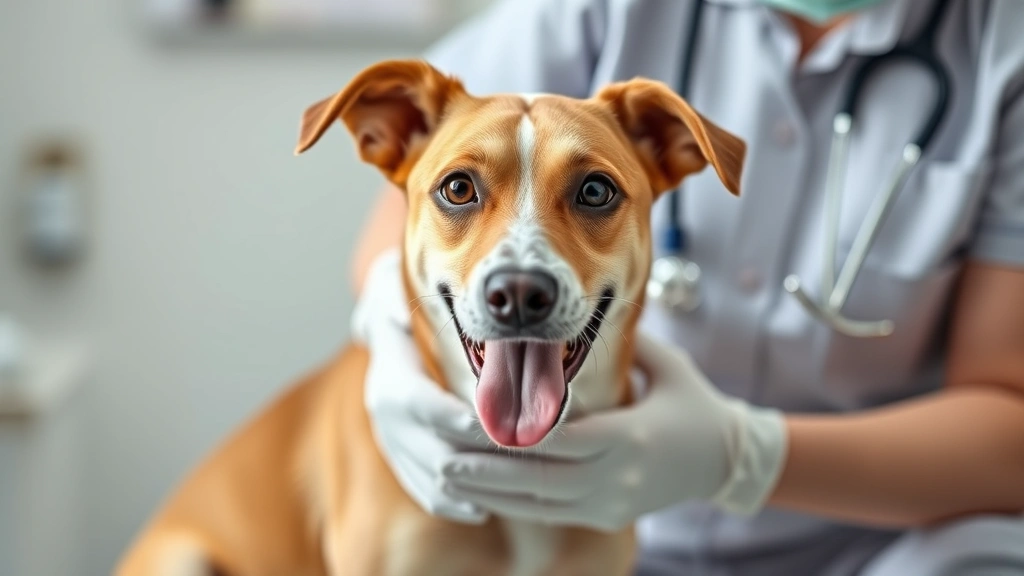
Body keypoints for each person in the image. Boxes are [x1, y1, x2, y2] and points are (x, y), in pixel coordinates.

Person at [349, 0, 1024, 574]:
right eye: (463, 191)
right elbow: (423, 180)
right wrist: (391, 321)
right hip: (610, 541)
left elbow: (1010, 423)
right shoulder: (595, 10)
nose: (519, 281)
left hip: (874, 546)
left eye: (593, 192)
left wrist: (740, 457)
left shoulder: (1005, 46)